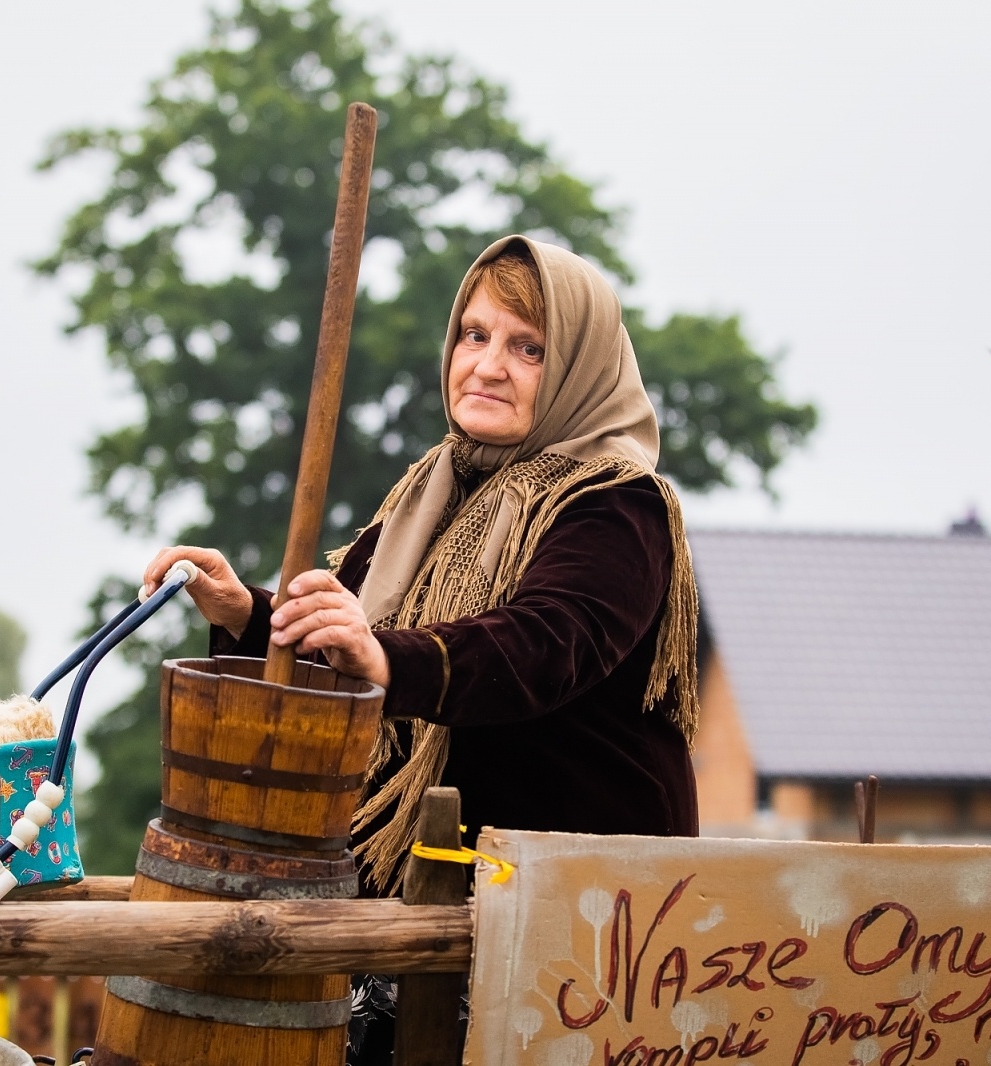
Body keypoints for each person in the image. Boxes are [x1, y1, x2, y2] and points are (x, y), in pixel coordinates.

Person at [143, 234, 700, 889]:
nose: (489, 366)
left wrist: (387, 662)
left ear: (580, 367)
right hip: (419, 885)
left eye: (529, 349)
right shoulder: (432, 489)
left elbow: (544, 644)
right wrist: (248, 615)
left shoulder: (615, 502)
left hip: (576, 905)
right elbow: (348, 637)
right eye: (474, 335)